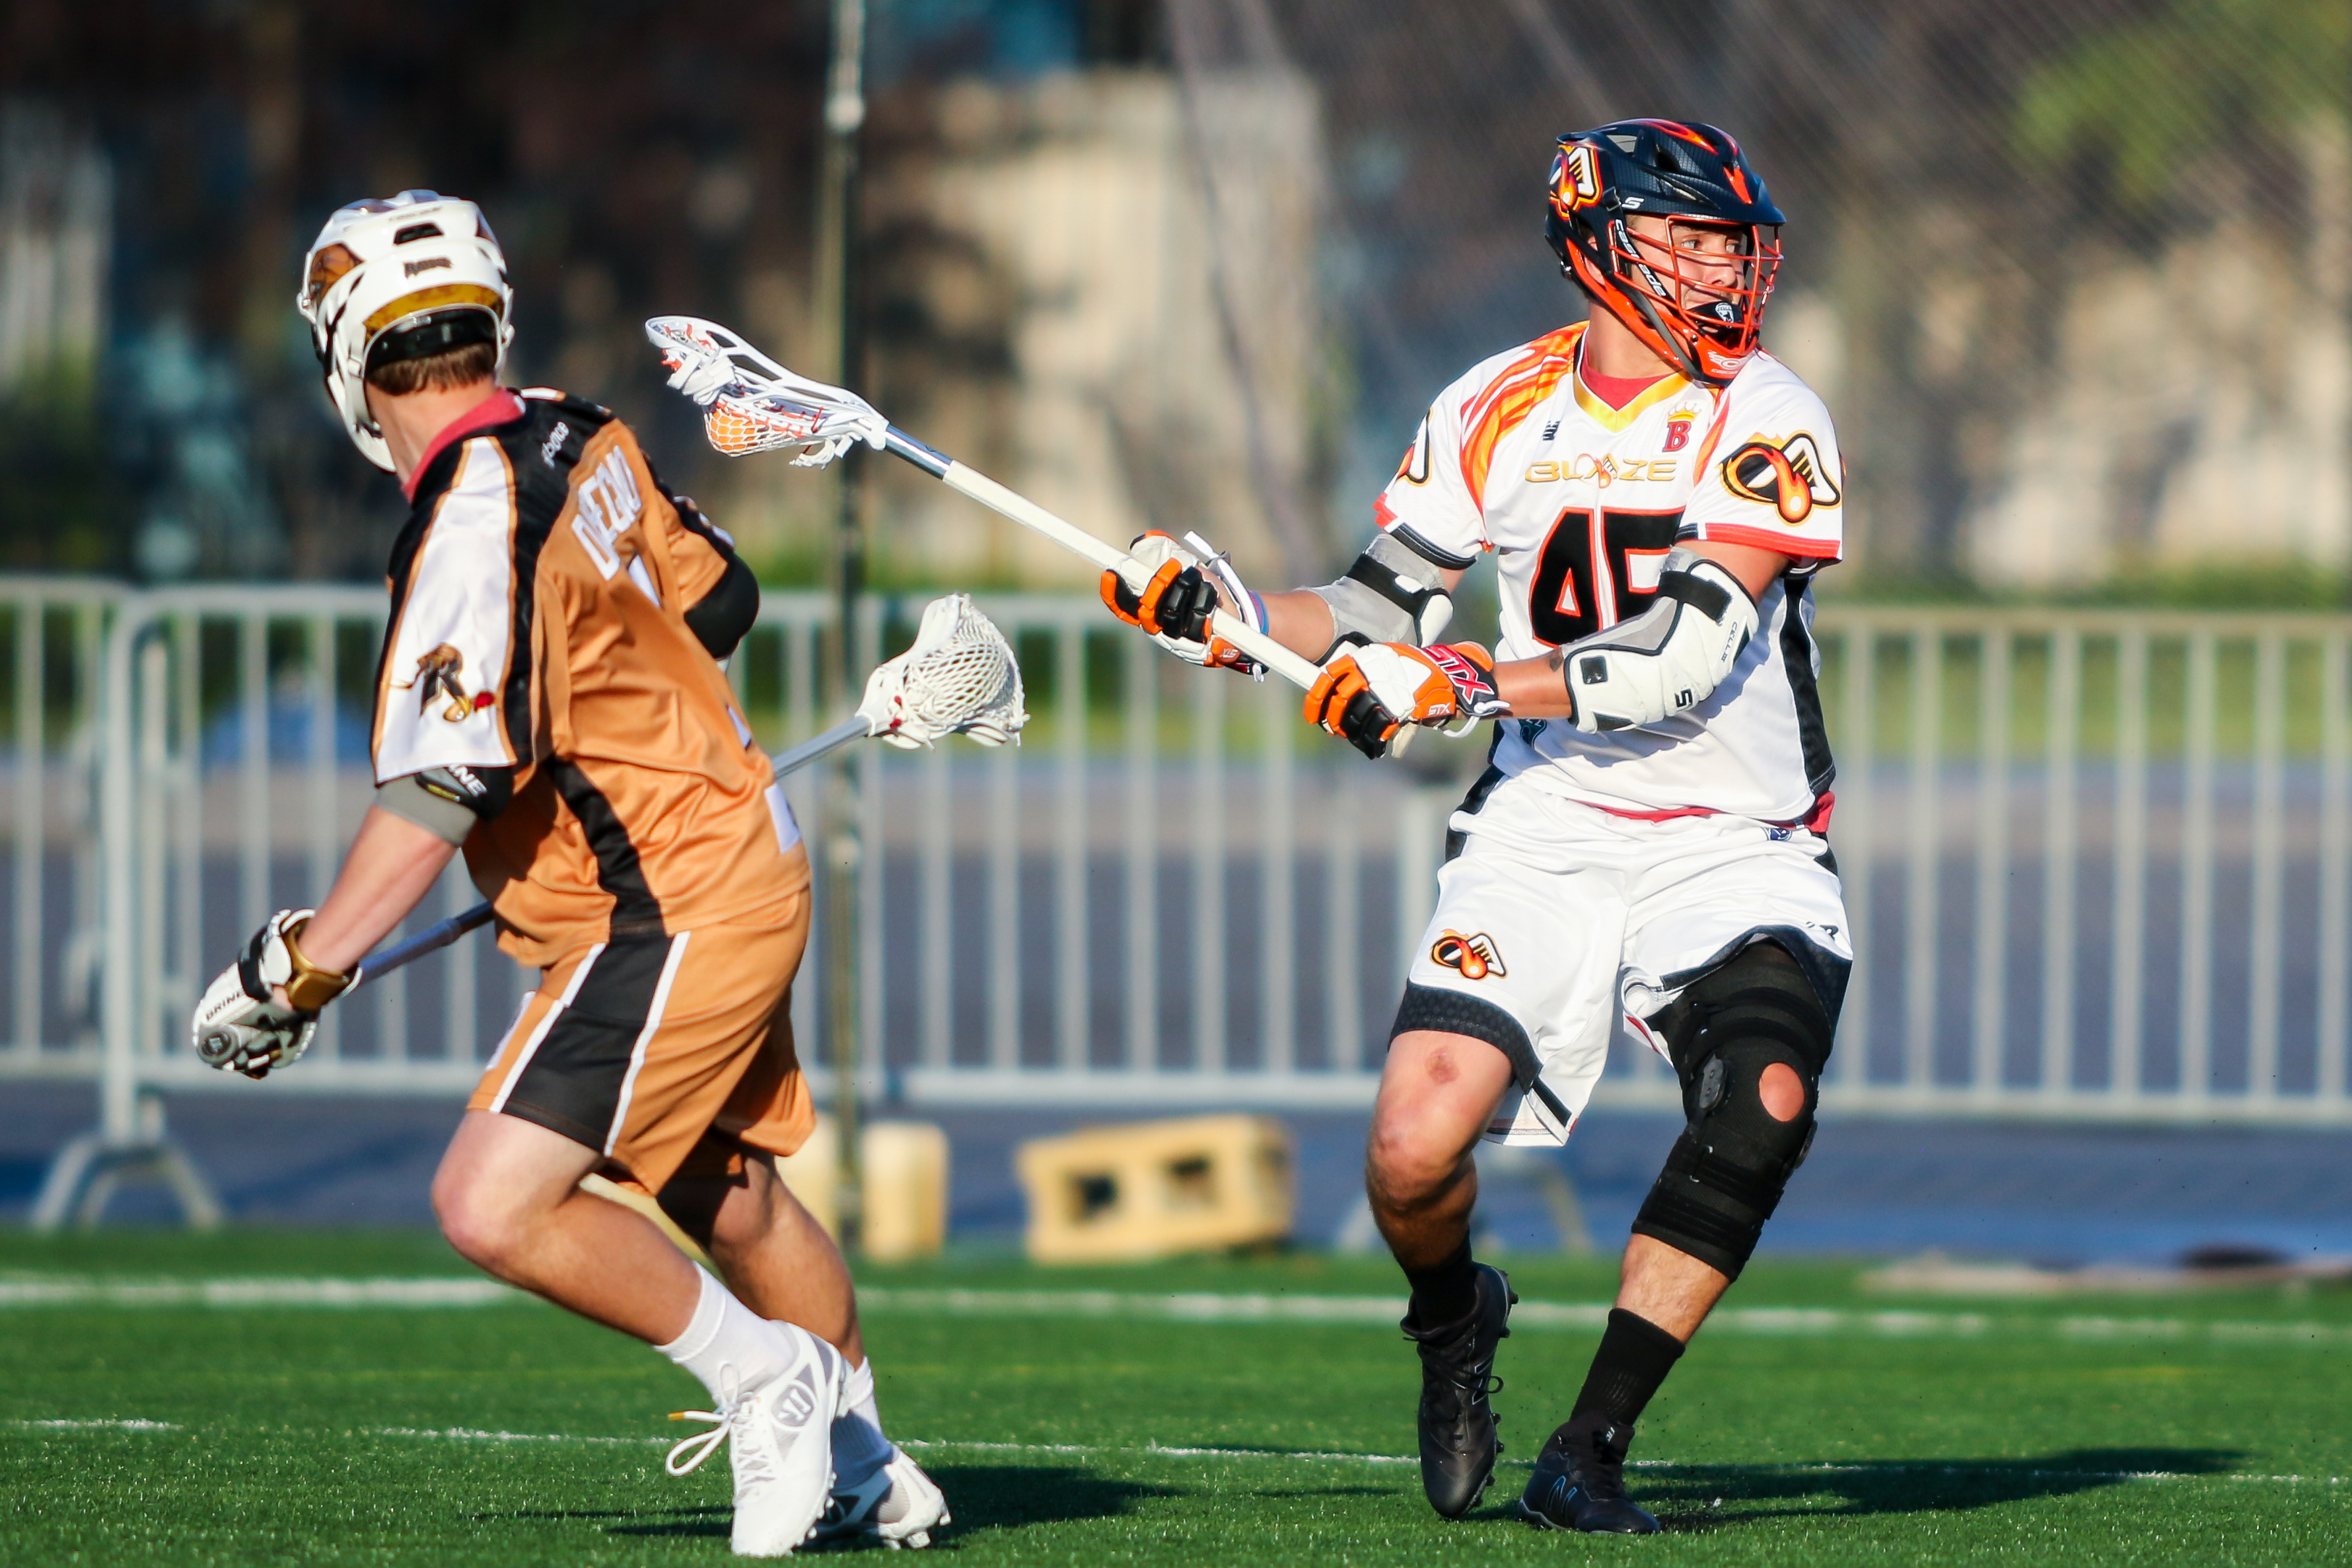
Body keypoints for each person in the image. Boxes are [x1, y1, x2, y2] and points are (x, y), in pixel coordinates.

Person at [1102, 122, 1849, 1534]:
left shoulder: (1770, 408)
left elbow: (1681, 652)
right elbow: (1373, 605)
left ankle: (1589, 1450)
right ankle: (1453, 1319)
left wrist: (1457, 680)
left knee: (1761, 1100)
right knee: (1407, 1143)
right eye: (1685, 235)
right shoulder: (1497, 404)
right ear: (1596, 246)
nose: (1720, 264)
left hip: (1733, 834)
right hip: (1545, 826)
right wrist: (1224, 614)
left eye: (1729, 239)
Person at [190, 190, 947, 1555]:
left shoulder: (467, 531)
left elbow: (435, 793)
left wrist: (298, 970)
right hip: (733, 854)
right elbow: (718, 597)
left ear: (346, 363)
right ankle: (861, 1457)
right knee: (727, 1184)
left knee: (488, 1197)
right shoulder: (578, 427)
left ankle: (769, 1380)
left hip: (663, 903)